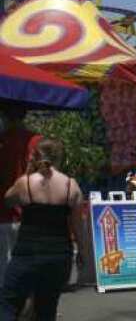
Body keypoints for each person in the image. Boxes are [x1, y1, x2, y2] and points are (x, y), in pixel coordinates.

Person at [0, 138, 84, 321]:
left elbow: (8, 199)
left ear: (35, 156)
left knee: (8, 304)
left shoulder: (26, 183)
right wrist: (82, 252)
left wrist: (28, 172)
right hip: (59, 255)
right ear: (60, 158)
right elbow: (78, 226)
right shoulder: (71, 186)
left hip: (27, 254)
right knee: (47, 309)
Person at [0, 105, 42, 285]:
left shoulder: (3, 140)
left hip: (4, 211)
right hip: (30, 212)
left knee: (6, 268)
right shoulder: (36, 141)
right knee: (29, 267)